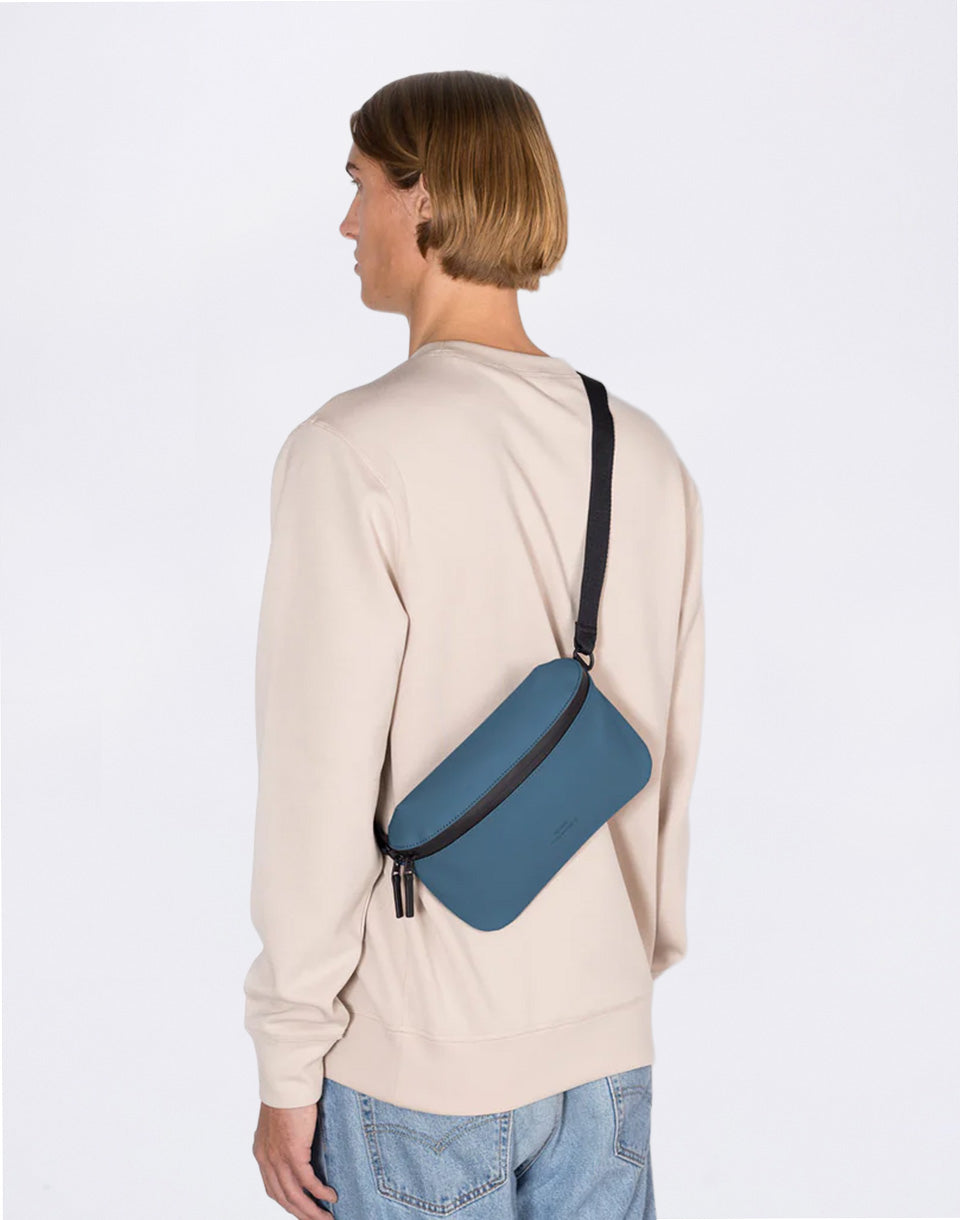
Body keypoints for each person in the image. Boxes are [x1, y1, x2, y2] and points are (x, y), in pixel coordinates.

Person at [243, 70, 705, 1220]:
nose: (347, 222)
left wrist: (289, 1054)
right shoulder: (644, 452)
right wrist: (612, 974)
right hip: (603, 1043)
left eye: (360, 185)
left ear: (426, 195)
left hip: (423, 1050)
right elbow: (669, 748)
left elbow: (316, 784)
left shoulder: (352, 450)